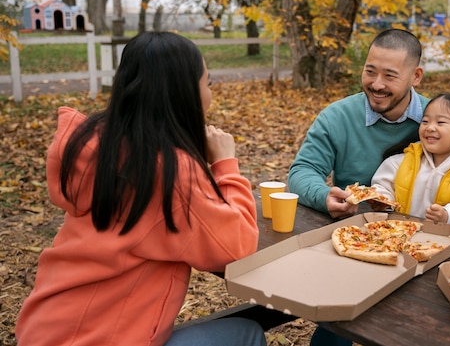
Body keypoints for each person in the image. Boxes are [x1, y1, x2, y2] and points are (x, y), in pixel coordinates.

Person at [15, 32, 266, 346]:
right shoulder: (170, 174)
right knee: (247, 333)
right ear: (185, 94)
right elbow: (236, 248)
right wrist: (226, 163)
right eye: (208, 83)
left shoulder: (96, 143)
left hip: (43, 332)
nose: (210, 94)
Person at [288, 29, 430, 219]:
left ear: (416, 76)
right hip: (354, 230)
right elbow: (303, 170)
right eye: (370, 72)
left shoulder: (441, 121)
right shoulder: (337, 117)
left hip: (427, 231)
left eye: (390, 76)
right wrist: (323, 196)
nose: (377, 85)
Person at [371, 93, 450, 231]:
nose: (430, 128)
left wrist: (448, 215)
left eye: (440, 122)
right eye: (425, 121)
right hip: (397, 237)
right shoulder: (403, 161)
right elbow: (383, 186)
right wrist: (382, 199)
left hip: (443, 243)